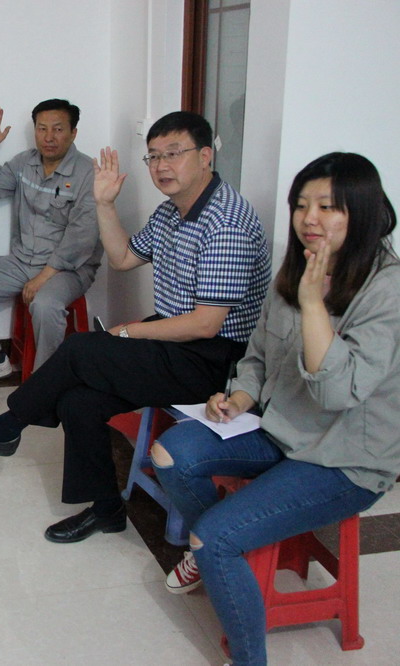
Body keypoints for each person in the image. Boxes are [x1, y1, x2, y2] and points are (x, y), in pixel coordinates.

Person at [0, 112, 271, 543]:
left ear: (205, 156)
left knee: (81, 349)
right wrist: (105, 205)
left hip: (213, 360)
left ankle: (5, 427)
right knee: (79, 402)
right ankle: (107, 510)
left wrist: (128, 332)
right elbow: (123, 258)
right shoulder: (172, 212)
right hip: (174, 340)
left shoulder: (226, 222)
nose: (162, 166)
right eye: (154, 156)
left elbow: (206, 325)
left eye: (174, 154)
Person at [152, 153, 400, 666]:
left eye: (327, 207)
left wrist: (313, 306)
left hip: (343, 460)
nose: (309, 219)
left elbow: (337, 393)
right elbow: (259, 355)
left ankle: (246, 650)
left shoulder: (387, 290)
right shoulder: (300, 266)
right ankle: (210, 552)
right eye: (301, 205)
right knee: (170, 453)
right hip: (280, 428)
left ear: (362, 212)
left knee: (214, 538)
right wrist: (240, 397)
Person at [0, 100, 101, 382]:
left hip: (69, 269)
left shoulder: (88, 173)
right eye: (42, 129)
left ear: (73, 133)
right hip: (23, 260)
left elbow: (82, 236)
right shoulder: (25, 163)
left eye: (58, 129)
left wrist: (43, 277)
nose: (49, 137)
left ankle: (45, 380)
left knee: (45, 304)